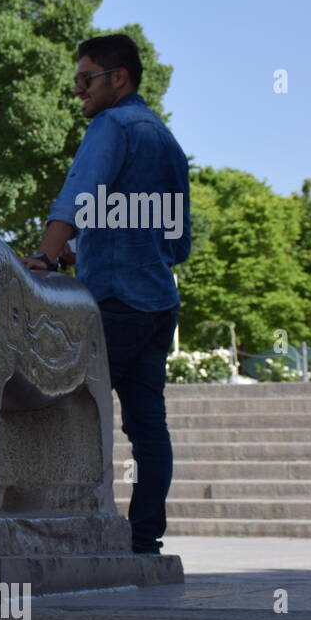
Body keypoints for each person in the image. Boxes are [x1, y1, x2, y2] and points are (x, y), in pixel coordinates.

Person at [21, 34, 192, 555]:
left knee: (60, 407)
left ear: (118, 77)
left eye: (85, 78)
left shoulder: (111, 125)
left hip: (115, 305)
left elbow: (81, 190)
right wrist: (95, 250)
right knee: (148, 425)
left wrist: (48, 256)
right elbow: (177, 245)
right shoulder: (166, 140)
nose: (78, 90)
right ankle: (144, 540)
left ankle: (68, 531)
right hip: (158, 304)